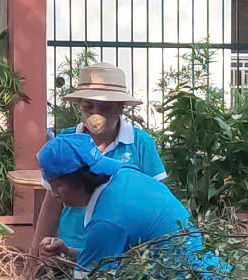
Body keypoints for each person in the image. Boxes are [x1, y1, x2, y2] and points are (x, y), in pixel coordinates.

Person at [36, 131, 227, 280]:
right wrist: (69, 254)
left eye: (57, 185)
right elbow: (108, 260)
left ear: (80, 177)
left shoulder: (107, 221)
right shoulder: (125, 176)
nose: (53, 194)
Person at [49, 62, 167, 261]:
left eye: (105, 107)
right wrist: (38, 255)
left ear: (121, 108)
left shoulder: (140, 143)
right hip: (68, 249)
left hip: (124, 254)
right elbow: (51, 202)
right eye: (88, 106)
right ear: (79, 105)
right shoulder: (65, 142)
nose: (95, 114)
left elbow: (158, 201)